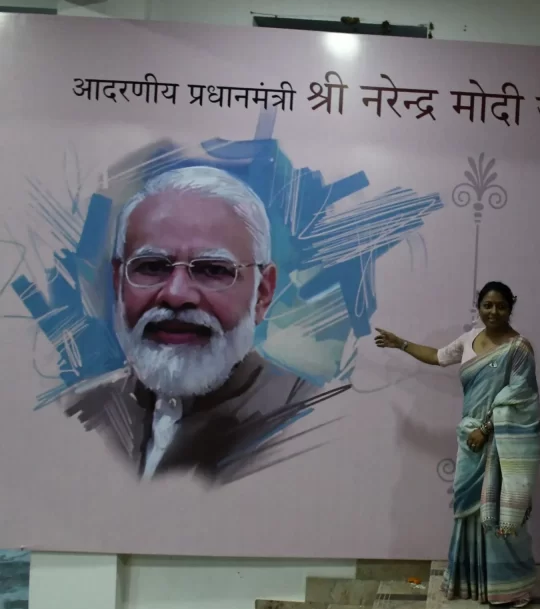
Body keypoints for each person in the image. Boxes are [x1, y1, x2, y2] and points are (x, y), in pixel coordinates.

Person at [63, 166, 346, 483]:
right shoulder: (83, 410)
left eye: (212, 270)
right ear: (118, 284)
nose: (176, 295)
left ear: (263, 293)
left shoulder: (310, 419)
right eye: (152, 266)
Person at [375, 281, 540, 607]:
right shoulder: (469, 340)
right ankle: (470, 582)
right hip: (470, 442)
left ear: (511, 308)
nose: (493, 312)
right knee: (468, 512)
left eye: (501, 306)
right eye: (487, 305)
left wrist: (487, 427)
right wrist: (401, 344)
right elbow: (438, 356)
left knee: (502, 515)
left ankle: (510, 585)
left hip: (500, 443)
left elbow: (521, 398)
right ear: (478, 307)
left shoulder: (519, 349)